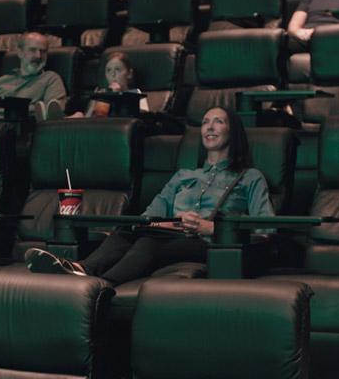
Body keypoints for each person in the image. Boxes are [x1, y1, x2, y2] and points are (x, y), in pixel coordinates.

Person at [24, 106, 274, 284]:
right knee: (129, 229)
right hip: (171, 233)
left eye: (218, 121)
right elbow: (150, 215)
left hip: (208, 243)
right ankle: (79, 269)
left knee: (148, 242)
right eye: (206, 121)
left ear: (233, 132)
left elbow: (266, 231)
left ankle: (100, 285)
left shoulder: (250, 177)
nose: (209, 126)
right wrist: (160, 223)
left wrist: (212, 227)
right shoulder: (183, 175)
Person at [70, 52, 149, 118]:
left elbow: (141, 118)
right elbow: (93, 120)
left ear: (129, 74)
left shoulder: (136, 93)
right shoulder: (101, 95)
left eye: (117, 69)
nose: (113, 74)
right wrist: (95, 102)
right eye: (108, 70)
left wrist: (118, 96)